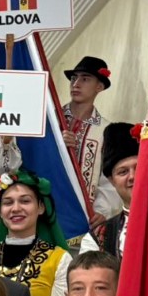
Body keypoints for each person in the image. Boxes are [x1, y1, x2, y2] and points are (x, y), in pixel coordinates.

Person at [87, 121, 148, 257]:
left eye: (139, 167)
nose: (133, 177)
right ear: (111, 181)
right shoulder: (99, 237)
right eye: (123, 172)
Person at [61, 55, 122, 219]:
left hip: (82, 215)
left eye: (85, 79)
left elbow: (110, 177)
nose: (76, 84)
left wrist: (102, 210)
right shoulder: (51, 120)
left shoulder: (106, 131)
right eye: (73, 78)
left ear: (99, 86)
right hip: (43, 209)